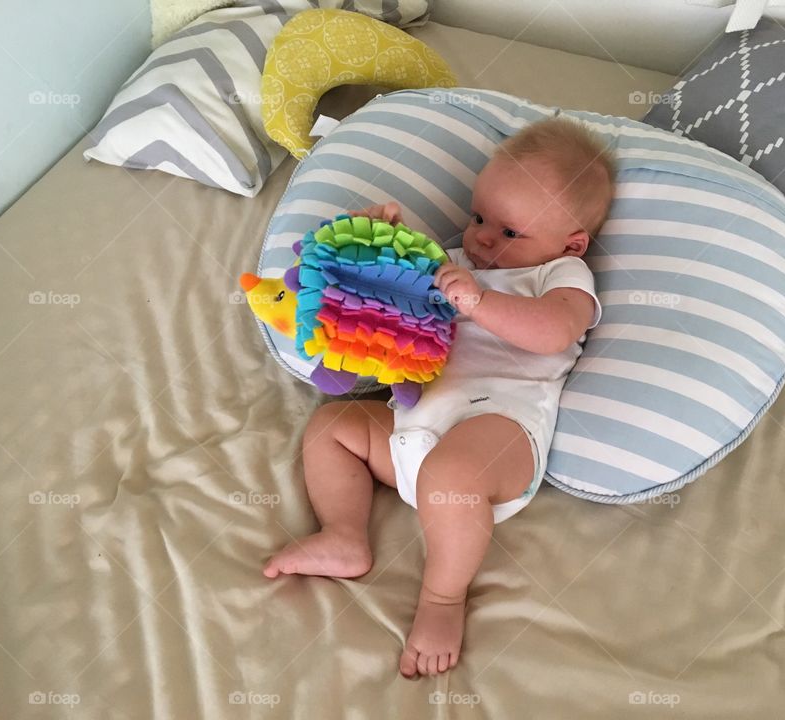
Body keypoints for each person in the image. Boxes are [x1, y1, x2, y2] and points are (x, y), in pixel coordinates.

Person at [263, 116, 616, 677]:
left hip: (499, 433)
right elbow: (392, 291)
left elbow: (553, 331)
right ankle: (345, 534)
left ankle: (443, 598)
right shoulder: (455, 262)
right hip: (413, 428)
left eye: (509, 232)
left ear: (570, 242)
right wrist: (372, 242)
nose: (481, 237)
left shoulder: (561, 275)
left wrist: (478, 304)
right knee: (333, 427)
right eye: (478, 217)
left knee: (451, 477)